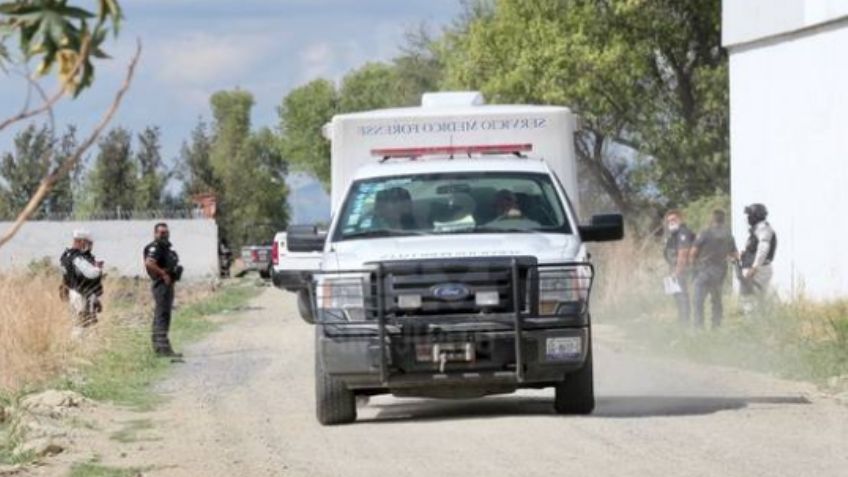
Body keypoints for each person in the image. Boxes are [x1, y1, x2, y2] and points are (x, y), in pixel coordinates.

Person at [688, 210, 737, 329]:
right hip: (720, 271)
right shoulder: (728, 235)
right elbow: (734, 255)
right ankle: (716, 327)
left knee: (698, 301)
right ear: (724, 220)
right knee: (716, 300)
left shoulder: (705, 233)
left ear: (712, 219)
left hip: (704, 271)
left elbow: (693, 252)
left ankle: (699, 328)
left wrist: (692, 267)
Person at [144, 223, 184, 359]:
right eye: (161, 232)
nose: (164, 235)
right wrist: (163, 274)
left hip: (167, 285)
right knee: (161, 316)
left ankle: (162, 347)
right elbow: (149, 263)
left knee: (164, 315)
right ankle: (162, 349)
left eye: (166, 232)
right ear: (155, 233)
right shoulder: (155, 247)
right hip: (161, 284)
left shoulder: (165, 248)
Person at [60, 229, 104, 336]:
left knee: (77, 323)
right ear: (82, 241)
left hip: (71, 292)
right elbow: (91, 273)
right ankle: (80, 348)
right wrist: (98, 268)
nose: (90, 246)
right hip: (79, 294)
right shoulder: (77, 257)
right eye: (88, 243)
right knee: (82, 324)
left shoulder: (65, 255)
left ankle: (77, 348)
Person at [739, 203, 777, 312]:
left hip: (758, 269)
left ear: (755, 216)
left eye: (750, 215)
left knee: (748, 296)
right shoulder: (758, 229)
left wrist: (754, 267)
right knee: (754, 298)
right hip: (757, 268)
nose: (748, 218)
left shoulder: (763, 228)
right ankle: (757, 321)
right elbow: (755, 249)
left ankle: (751, 322)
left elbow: (763, 248)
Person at [663, 210, 695, 325]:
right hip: (675, 269)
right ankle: (681, 321)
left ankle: (685, 324)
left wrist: (677, 272)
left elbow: (683, 254)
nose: (671, 222)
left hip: (682, 270)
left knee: (682, 297)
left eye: (674, 220)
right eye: (669, 221)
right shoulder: (673, 234)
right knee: (677, 297)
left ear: (680, 220)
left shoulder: (683, 233)